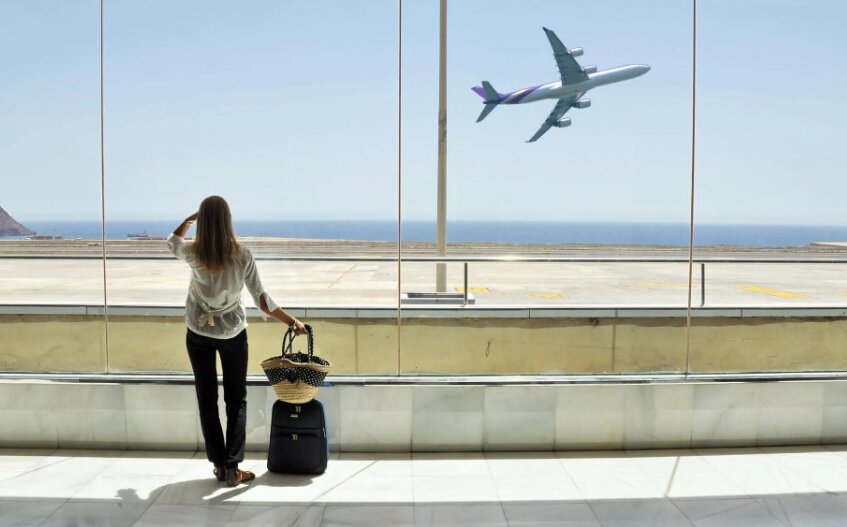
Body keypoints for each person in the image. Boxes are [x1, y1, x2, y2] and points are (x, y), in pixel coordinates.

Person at [168, 196, 306, 487]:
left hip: (198, 332)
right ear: (228, 221)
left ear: (203, 221)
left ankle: (219, 466)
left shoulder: (193, 252)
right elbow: (262, 300)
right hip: (232, 332)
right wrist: (292, 322)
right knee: (236, 400)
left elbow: (172, 241)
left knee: (207, 399)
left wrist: (189, 220)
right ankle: (233, 468)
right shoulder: (242, 255)